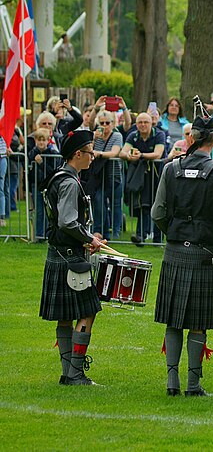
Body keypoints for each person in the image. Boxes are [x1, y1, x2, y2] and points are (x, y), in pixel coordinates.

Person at [152, 116, 213, 397]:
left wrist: (175, 232)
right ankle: (193, 385)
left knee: (173, 320)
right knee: (199, 322)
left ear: (191, 138)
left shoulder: (170, 168)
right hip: (205, 252)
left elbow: (157, 213)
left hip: (175, 251)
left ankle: (172, 382)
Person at [38, 130, 106, 385]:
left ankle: (69, 374)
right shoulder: (68, 182)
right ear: (77, 154)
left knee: (66, 317)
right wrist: (89, 240)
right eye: (90, 152)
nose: (93, 156)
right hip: (69, 257)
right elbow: (67, 222)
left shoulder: (58, 176)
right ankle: (75, 372)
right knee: (88, 311)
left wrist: (90, 235)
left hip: (60, 253)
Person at [120, 112, 166, 245]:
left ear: (151, 123)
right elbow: (123, 152)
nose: (143, 125)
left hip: (157, 174)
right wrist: (129, 157)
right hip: (140, 177)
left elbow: (158, 154)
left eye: (146, 122)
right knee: (142, 204)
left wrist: (141, 155)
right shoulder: (133, 135)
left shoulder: (159, 134)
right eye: (140, 122)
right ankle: (141, 235)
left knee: (158, 205)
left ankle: (157, 239)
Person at [89, 111, 124, 239]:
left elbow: (114, 152)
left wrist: (100, 154)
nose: (104, 126)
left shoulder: (117, 136)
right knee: (98, 201)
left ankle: (115, 232)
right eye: (102, 123)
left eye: (107, 123)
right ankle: (100, 231)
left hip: (113, 176)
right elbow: (89, 150)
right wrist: (93, 139)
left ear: (112, 123)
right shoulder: (96, 137)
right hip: (99, 176)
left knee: (115, 205)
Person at [28, 129, 61, 240]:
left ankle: (49, 235)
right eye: (39, 140)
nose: (41, 143)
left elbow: (52, 171)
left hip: (49, 186)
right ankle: (39, 235)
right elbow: (30, 171)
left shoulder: (53, 154)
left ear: (48, 141)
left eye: (43, 140)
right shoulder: (32, 153)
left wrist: (41, 163)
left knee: (49, 211)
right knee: (39, 211)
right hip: (36, 185)